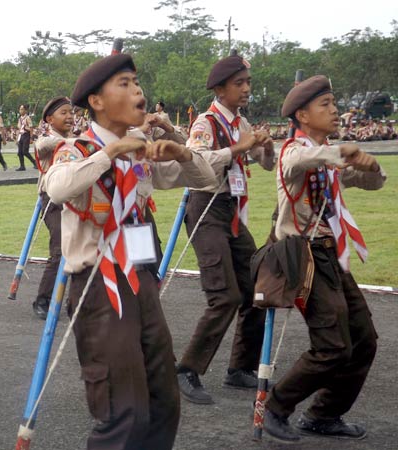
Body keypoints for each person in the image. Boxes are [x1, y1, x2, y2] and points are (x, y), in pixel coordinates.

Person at [45, 53, 216, 450]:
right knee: (124, 410)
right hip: (97, 286)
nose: (137, 90)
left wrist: (181, 152)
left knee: (163, 400)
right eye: (123, 83)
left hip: (139, 278)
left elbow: (207, 181)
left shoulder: (145, 149)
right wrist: (110, 153)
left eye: (136, 81)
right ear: (96, 102)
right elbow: (58, 188)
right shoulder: (78, 149)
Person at [261, 75, 385, 443]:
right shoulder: (294, 152)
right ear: (302, 114)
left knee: (364, 339)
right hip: (304, 256)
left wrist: (370, 167)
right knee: (333, 345)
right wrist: (342, 152)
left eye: (334, 103)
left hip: (331, 255)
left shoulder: (328, 155)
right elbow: (305, 158)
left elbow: (372, 182)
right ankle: (276, 406)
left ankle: (325, 414)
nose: (335, 111)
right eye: (326, 105)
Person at [176, 54, 275, 405]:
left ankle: (240, 368)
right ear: (221, 89)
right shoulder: (205, 124)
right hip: (206, 210)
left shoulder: (242, 123)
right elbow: (195, 163)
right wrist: (237, 148)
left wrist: (264, 147)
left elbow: (265, 164)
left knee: (258, 289)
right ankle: (187, 369)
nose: (247, 88)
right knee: (225, 296)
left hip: (231, 211)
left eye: (248, 82)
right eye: (239, 83)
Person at [30, 96, 72, 319]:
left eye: (71, 112)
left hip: (75, 199)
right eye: (63, 113)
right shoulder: (47, 139)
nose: (69, 117)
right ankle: (43, 299)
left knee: (81, 247)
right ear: (49, 119)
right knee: (59, 249)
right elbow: (43, 146)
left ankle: (74, 300)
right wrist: (78, 143)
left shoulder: (75, 139)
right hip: (53, 200)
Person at [16, 104, 37, 171]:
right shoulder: (19, 119)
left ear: (25, 110)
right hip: (21, 135)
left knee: (25, 151)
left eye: (22, 109)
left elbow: (31, 128)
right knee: (19, 152)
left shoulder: (27, 118)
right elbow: (19, 129)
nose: (20, 111)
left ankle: (34, 162)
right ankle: (22, 166)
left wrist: (31, 138)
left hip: (26, 135)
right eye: (20, 109)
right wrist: (17, 138)